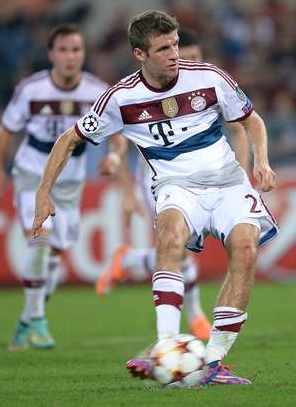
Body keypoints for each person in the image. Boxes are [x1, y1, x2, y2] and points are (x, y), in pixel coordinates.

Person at [32, 10, 278, 385]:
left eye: (176, 44)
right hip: (175, 185)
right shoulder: (120, 99)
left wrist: (260, 159)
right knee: (169, 238)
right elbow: (68, 140)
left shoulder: (209, 78)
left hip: (228, 182)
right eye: (163, 48)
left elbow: (251, 120)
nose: (175, 53)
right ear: (140, 54)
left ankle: (212, 362)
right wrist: (43, 192)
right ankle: (166, 348)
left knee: (246, 251)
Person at [94, 27, 251, 342]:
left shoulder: (204, 83)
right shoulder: (136, 93)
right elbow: (120, 139)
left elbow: (239, 129)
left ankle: (129, 261)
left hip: (212, 177)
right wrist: (122, 181)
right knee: (178, 249)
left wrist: (243, 175)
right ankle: (193, 318)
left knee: (181, 251)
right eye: (172, 51)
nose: (180, 60)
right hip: (161, 178)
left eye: (189, 55)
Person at [0, 24, 124, 350]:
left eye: (75, 50)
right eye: (63, 50)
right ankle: (38, 321)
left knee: (54, 257)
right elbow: (7, 130)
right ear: (51, 54)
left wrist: (115, 157)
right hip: (31, 174)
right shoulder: (31, 89)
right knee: (41, 240)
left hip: (71, 181)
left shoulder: (96, 92)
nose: (69, 56)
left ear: (83, 54)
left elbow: (118, 133)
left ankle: (26, 321)